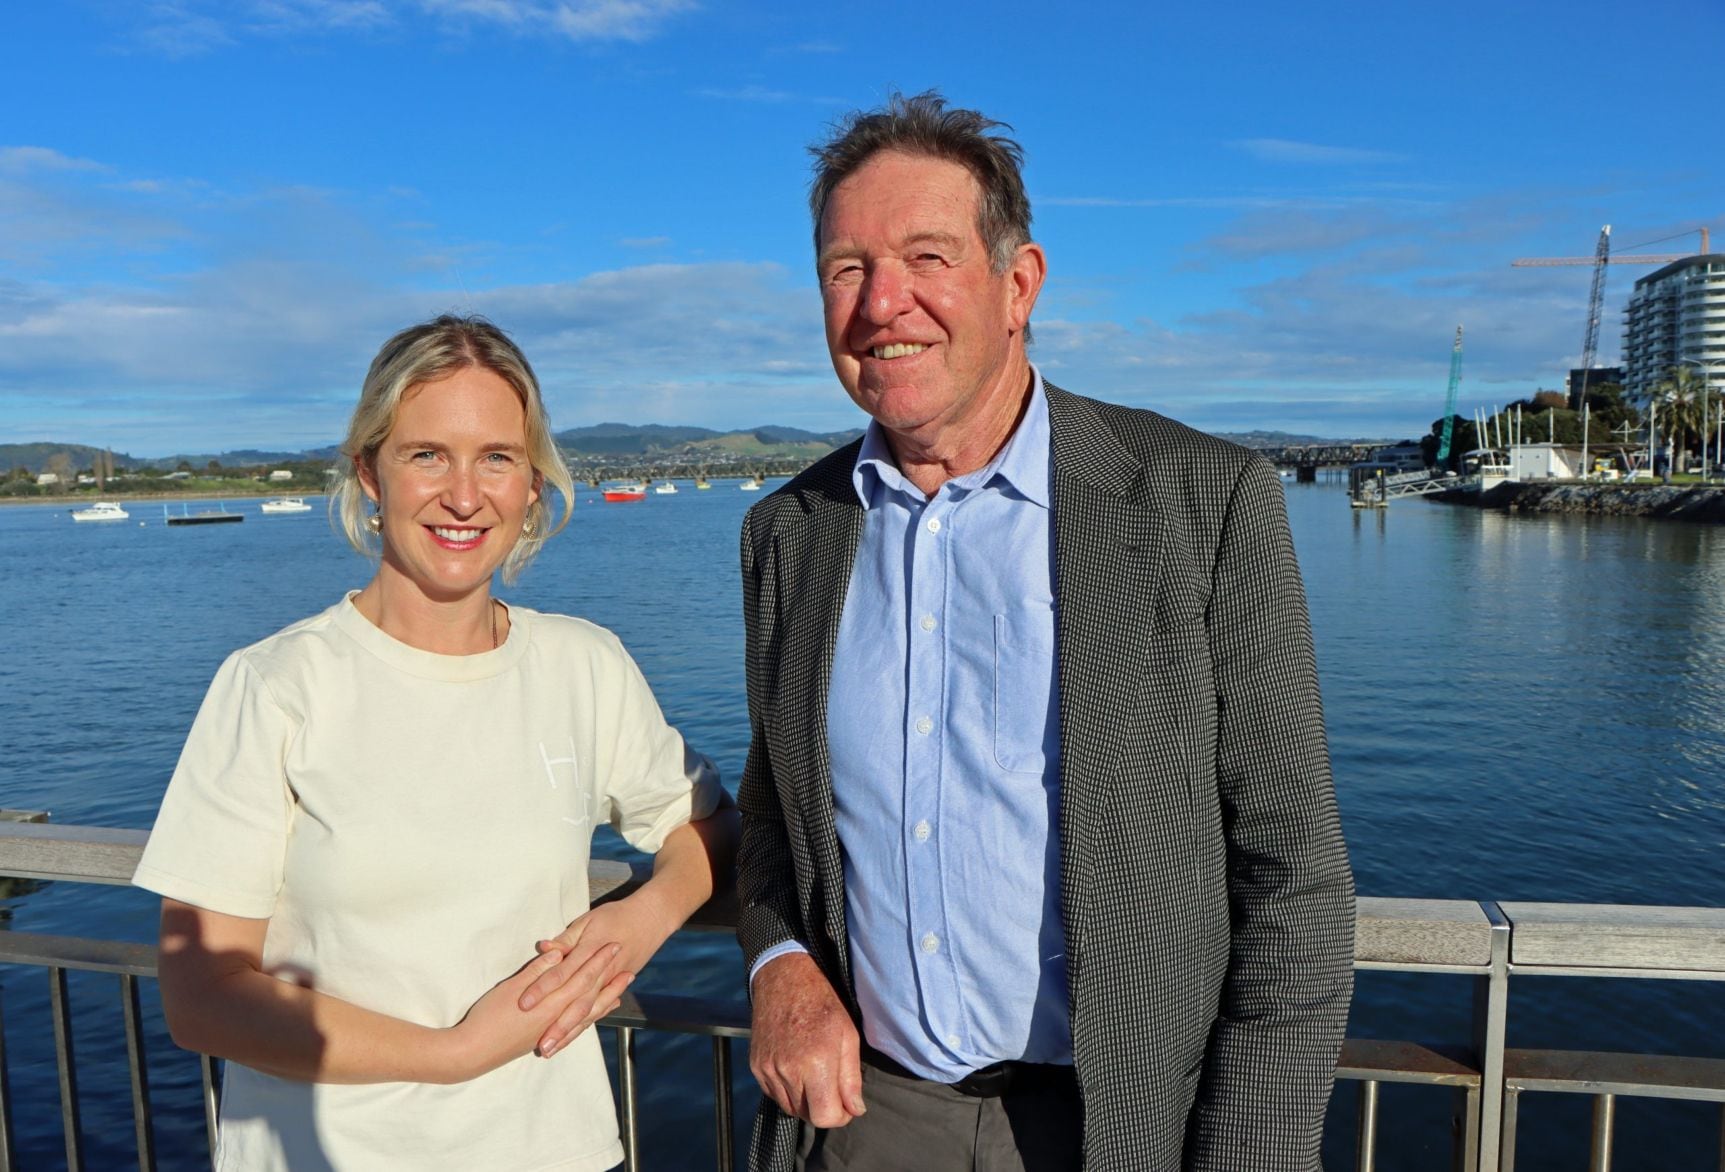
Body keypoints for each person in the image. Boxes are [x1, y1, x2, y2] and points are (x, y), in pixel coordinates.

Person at [736, 93, 1354, 1171]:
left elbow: (1293, 874)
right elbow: (771, 814)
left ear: (1018, 284)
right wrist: (778, 957)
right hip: (870, 1120)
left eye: (927, 255)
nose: (884, 302)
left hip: (1120, 1126)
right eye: (846, 268)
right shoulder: (790, 533)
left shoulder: (1201, 501)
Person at [134, 314, 737, 1171]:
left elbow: (709, 828)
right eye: (427, 455)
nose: (465, 495)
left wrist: (640, 921)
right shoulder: (277, 685)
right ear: (368, 474)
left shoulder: (581, 666)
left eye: (497, 456)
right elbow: (203, 997)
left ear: (533, 484)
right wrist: (456, 1052)